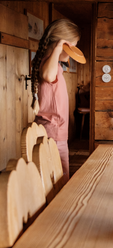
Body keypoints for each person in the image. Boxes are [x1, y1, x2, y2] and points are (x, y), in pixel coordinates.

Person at [31, 19, 81, 183]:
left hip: (54, 130)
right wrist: (59, 47)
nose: (73, 52)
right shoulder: (48, 64)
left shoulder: (51, 63)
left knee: (59, 175)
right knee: (60, 178)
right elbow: (48, 76)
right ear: (62, 44)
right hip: (53, 132)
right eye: (72, 47)